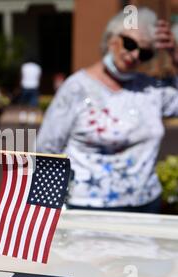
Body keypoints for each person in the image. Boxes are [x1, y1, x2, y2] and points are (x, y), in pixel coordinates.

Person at [37, 8, 178, 213]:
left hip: (146, 206)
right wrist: (48, 209)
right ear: (111, 39)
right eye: (130, 44)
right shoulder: (76, 87)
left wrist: (175, 57)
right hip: (88, 209)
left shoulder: (151, 89)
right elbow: (47, 148)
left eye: (145, 53)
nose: (135, 55)